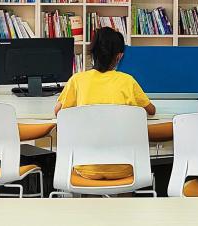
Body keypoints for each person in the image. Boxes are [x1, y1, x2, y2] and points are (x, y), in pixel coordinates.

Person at [54, 26, 155, 180]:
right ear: (119, 56)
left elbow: (58, 112)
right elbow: (151, 110)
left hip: (85, 168)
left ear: (92, 53)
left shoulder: (77, 81)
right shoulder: (128, 81)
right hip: (124, 168)